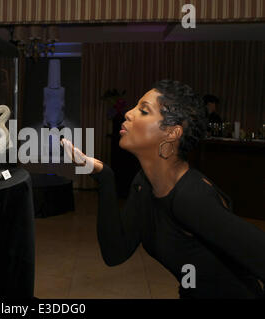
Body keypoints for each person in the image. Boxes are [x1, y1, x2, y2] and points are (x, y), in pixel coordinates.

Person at [61, 79, 265, 299]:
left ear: (172, 133)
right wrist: (104, 177)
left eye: (144, 111)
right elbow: (115, 253)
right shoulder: (144, 184)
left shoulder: (191, 196)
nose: (129, 113)